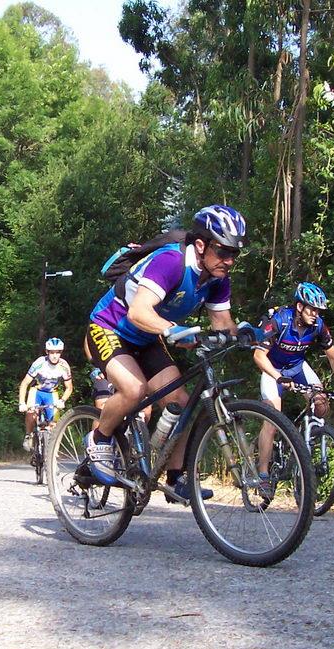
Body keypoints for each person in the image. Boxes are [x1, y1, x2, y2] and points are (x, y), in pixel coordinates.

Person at [84, 205, 248, 501]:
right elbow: (138, 312)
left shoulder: (218, 277)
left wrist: (253, 335)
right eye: (223, 251)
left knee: (180, 401)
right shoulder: (171, 261)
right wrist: (172, 329)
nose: (229, 261)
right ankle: (99, 438)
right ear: (201, 245)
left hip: (147, 336)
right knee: (134, 390)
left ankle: (175, 477)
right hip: (110, 326)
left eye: (234, 253)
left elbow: (223, 323)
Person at [251, 282, 334, 499]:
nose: (316, 315)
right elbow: (258, 356)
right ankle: (263, 475)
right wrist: (278, 377)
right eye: (312, 309)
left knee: (321, 402)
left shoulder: (318, 326)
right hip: (272, 369)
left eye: (318, 311)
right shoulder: (280, 320)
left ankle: (307, 441)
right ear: (299, 306)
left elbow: (333, 356)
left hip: (297, 367)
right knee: (272, 420)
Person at [18, 337, 73, 452]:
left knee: (54, 424)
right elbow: (24, 383)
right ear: (47, 352)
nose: (55, 356)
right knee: (31, 413)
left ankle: (52, 453)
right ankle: (28, 435)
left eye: (58, 352)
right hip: (36, 391)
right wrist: (22, 403)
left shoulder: (64, 366)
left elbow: (69, 388)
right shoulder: (39, 363)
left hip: (52, 393)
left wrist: (62, 400)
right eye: (52, 352)